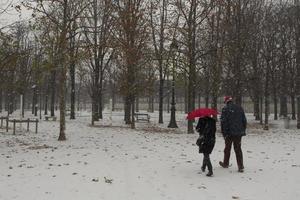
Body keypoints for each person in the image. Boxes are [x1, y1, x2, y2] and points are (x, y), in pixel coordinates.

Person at [219, 96, 247, 172]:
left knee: (227, 149)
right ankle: (240, 166)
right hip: (238, 133)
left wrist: (224, 133)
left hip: (229, 133)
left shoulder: (225, 109)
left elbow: (223, 123)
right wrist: (242, 130)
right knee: (238, 149)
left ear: (226, 102)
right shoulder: (239, 108)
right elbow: (244, 120)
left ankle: (225, 163)